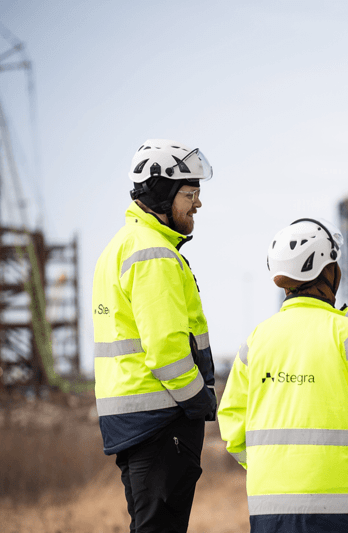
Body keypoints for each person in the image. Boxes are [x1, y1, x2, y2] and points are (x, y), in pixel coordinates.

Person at [218, 218, 348, 533]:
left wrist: (268, 466)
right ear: (328, 271)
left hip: (272, 511)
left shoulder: (255, 341)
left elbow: (231, 424)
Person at [92, 139, 217, 532]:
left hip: (133, 421)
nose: (198, 204)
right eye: (190, 194)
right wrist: (199, 400)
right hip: (161, 420)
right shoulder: (154, 253)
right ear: (162, 192)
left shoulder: (120, 246)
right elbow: (166, 351)